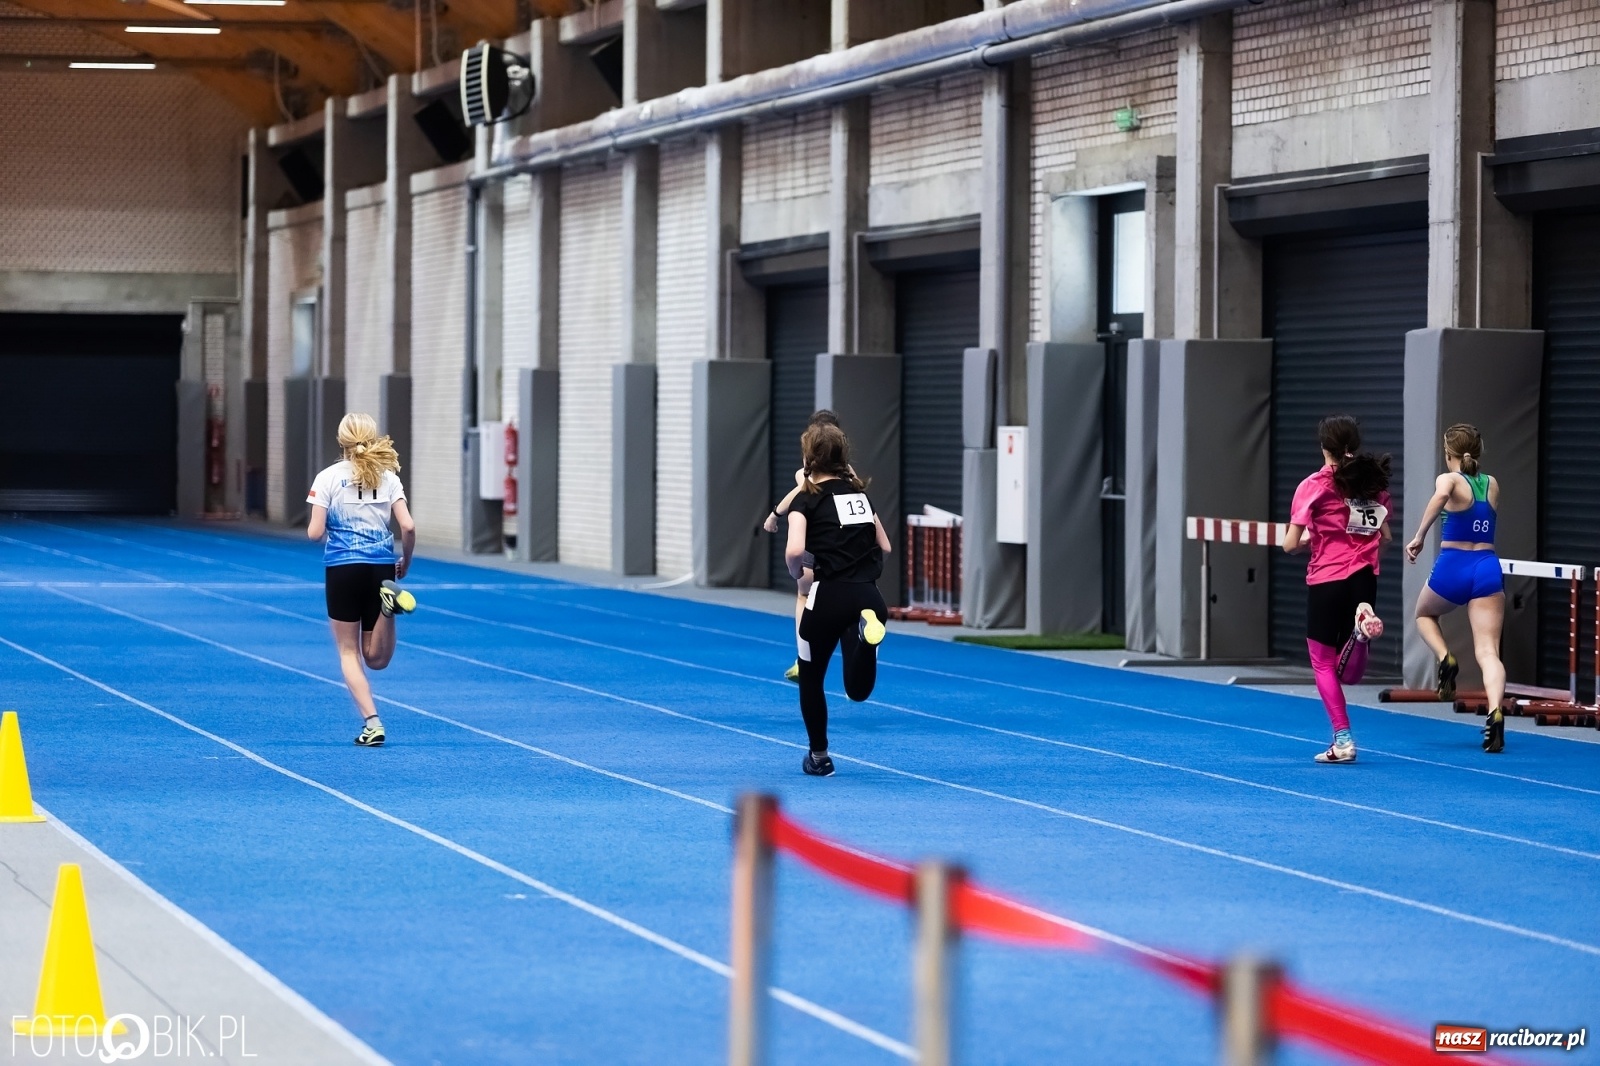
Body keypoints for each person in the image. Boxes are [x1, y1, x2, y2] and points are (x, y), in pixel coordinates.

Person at [1281, 415, 1392, 764]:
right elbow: (1385, 538)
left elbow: (1288, 544)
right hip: (1364, 578)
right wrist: (1365, 554)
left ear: (1323, 447)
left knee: (1323, 663)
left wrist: (1315, 541)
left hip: (1327, 578)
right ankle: (1360, 632)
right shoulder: (1373, 485)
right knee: (1350, 670)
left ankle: (1343, 739)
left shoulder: (1313, 485)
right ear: (1353, 446)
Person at [784, 422, 893, 776]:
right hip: (869, 596)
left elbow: (796, 549)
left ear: (808, 459)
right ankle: (865, 639)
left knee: (812, 677)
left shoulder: (807, 498)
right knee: (858, 690)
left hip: (828, 596)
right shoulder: (860, 496)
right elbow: (885, 546)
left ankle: (819, 757)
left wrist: (797, 572)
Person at [307, 413, 417, 747]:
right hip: (381, 567)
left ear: (340, 442)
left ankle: (372, 722)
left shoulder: (327, 478)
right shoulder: (388, 477)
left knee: (349, 652)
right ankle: (387, 607)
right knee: (378, 659)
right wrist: (405, 562)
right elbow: (408, 527)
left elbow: (314, 533)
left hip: (343, 568)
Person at [1404, 424, 1507, 753]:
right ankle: (1495, 714)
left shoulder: (1447, 479)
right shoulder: (1491, 484)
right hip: (1487, 567)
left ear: (1447, 454)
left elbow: (1441, 497)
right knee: (1489, 652)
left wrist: (1420, 536)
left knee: (1423, 613)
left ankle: (1445, 656)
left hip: (1454, 564)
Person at [764, 410, 844, 683]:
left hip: (816, 550)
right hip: (849, 551)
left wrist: (775, 514)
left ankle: (804, 658)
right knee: (852, 599)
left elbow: (802, 491)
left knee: (804, 597)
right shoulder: (850, 477)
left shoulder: (807, 473)